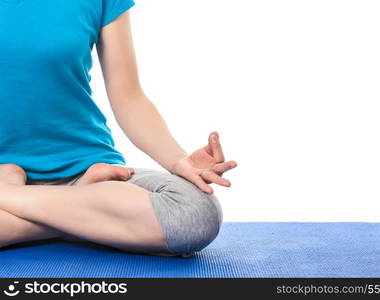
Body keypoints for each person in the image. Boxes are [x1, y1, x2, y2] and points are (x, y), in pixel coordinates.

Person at [0, 0, 237, 257]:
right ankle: (81, 218)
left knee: (196, 212)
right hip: (90, 197)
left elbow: (128, 97)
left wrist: (178, 160)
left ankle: (12, 197)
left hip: (88, 174)